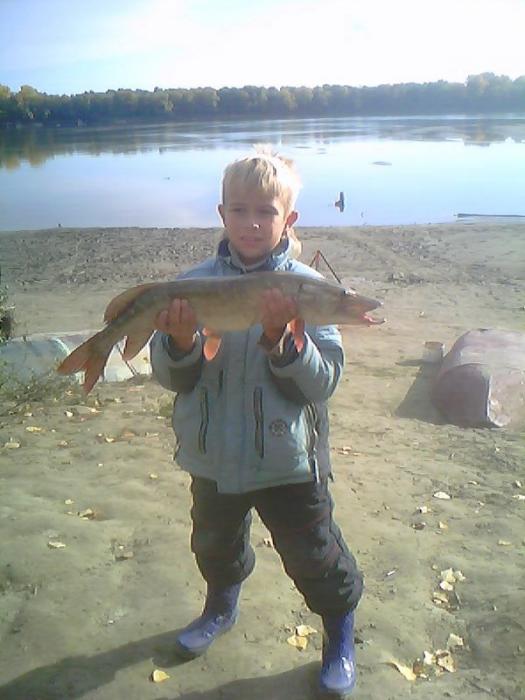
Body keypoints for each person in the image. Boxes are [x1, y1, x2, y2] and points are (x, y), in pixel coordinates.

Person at [150, 145, 363, 699]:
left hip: (288, 459)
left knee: (316, 554)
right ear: (222, 215)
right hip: (213, 456)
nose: (251, 222)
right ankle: (221, 606)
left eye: (265, 211)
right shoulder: (191, 283)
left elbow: (323, 383)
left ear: (287, 220)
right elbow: (174, 378)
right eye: (239, 209)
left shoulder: (304, 288)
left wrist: (279, 341)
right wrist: (180, 342)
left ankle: (339, 631)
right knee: (214, 544)